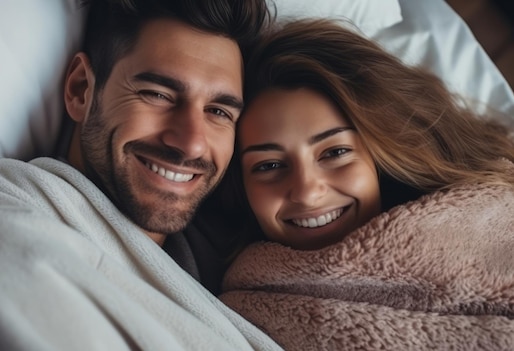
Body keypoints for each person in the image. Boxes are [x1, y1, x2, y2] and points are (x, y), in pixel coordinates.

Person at [0, 1, 283, 350]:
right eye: (157, 94)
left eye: (219, 111)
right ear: (80, 90)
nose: (192, 144)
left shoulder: (240, 269)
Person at [216, 19, 514, 350]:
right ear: (241, 188)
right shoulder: (238, 314)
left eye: (335, 152)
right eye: (269, 165)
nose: (306, 191)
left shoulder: (493, 216)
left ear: (381, 153)